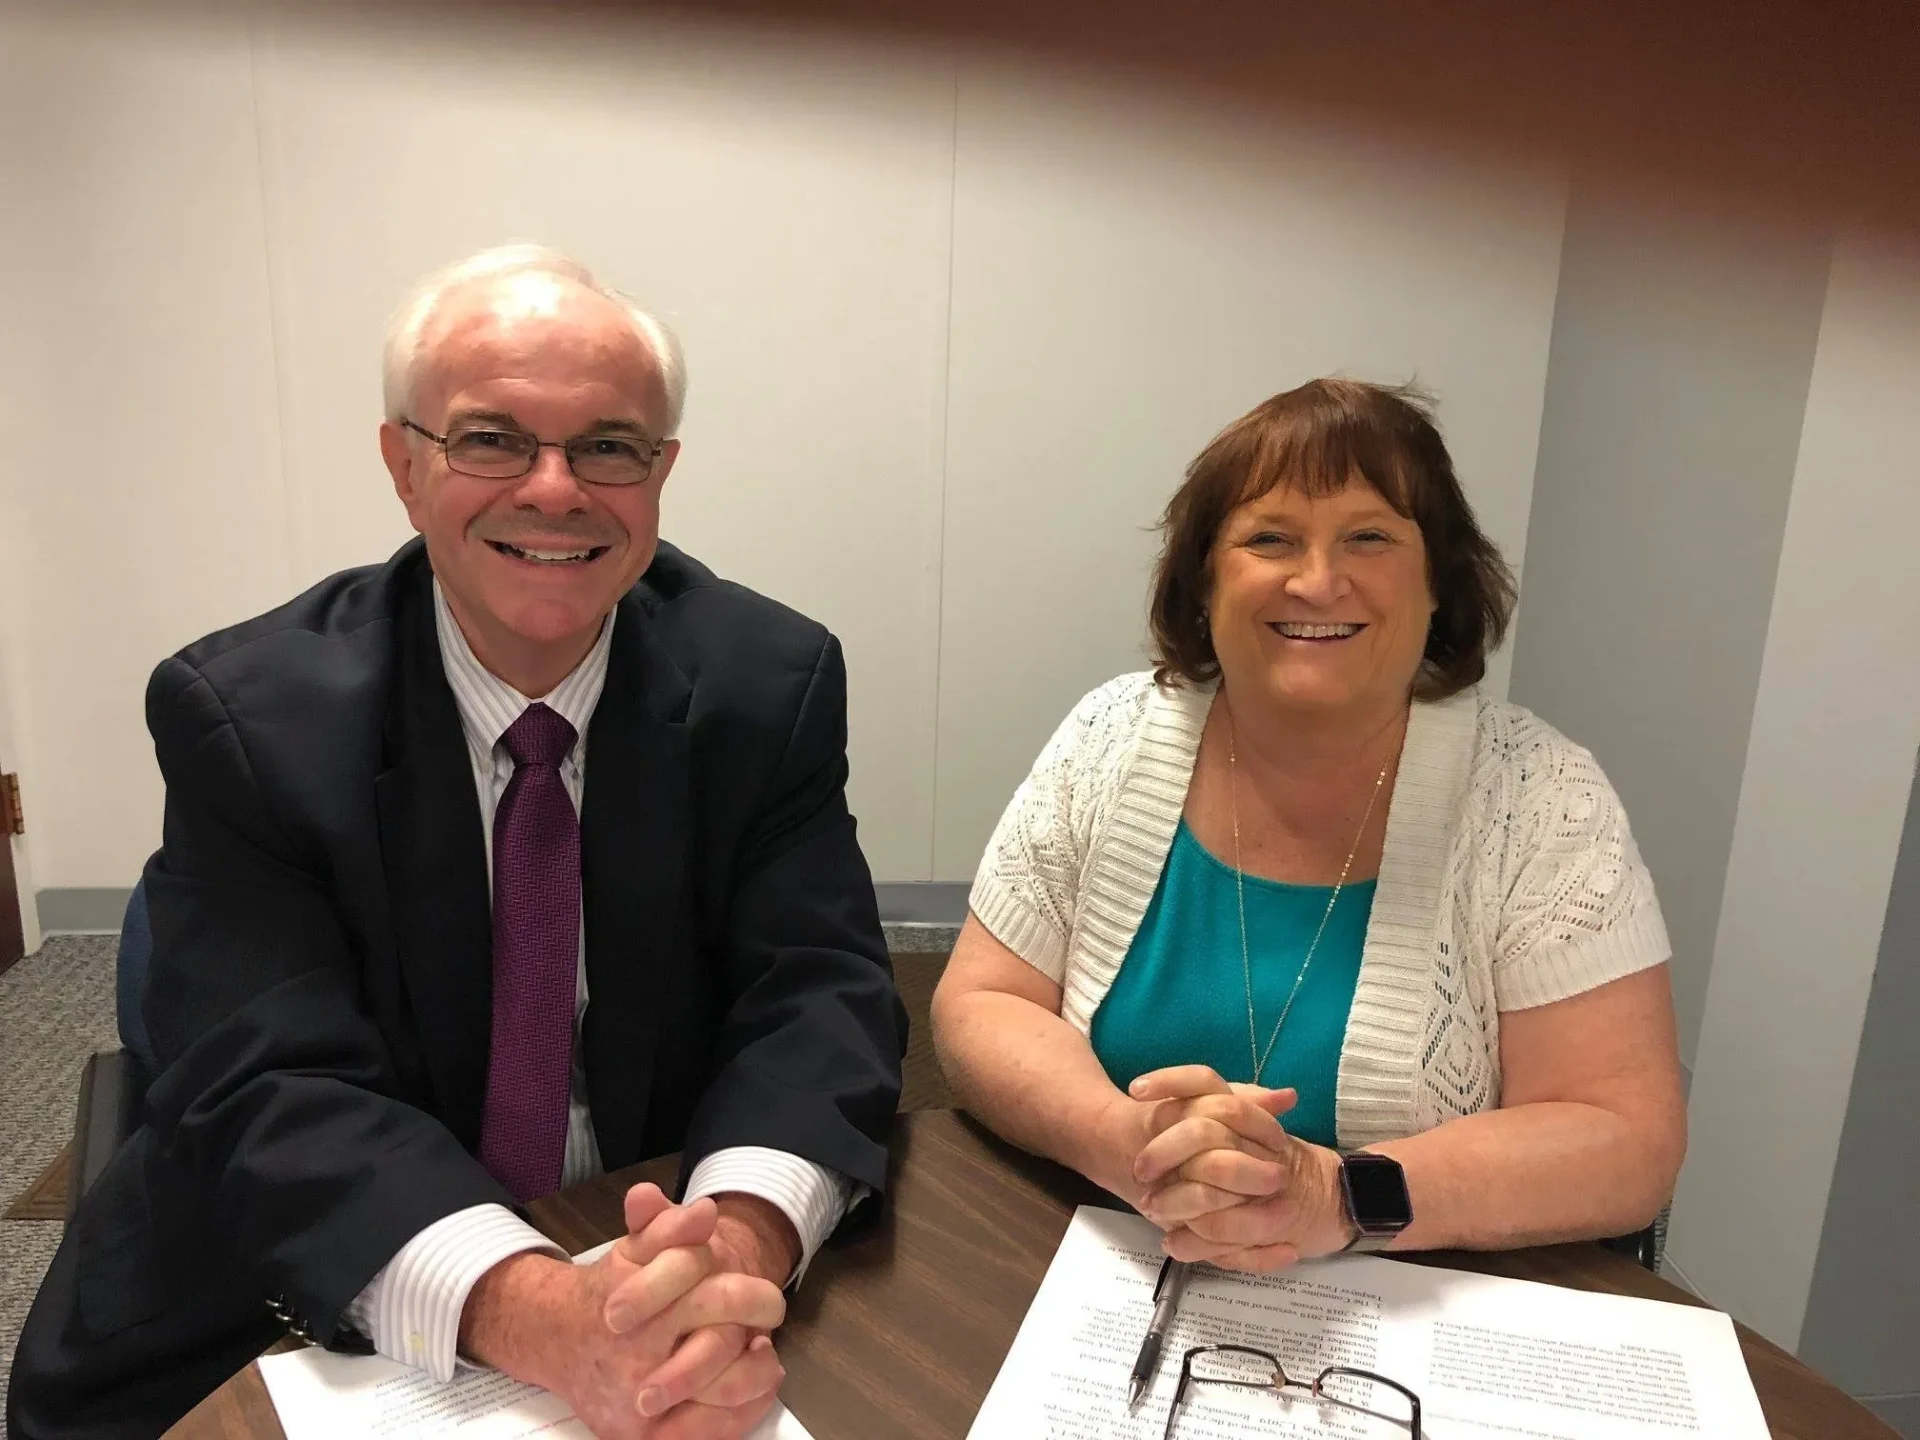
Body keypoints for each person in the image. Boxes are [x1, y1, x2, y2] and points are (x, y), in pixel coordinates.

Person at [10, 245, 906, 1440]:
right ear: (403, 464)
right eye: (490, 439)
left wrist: (732, 1250)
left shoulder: (770, 683)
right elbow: (268, 1083)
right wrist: (538, 1314)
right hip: (302, 1295)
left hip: (640, 1240)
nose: (554, 489)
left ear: (661, 472)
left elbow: (820, 995)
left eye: (608, 445)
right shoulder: (249, 718)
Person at [932, 379, 1685, 1273]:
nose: (1319, 581)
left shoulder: (1541, 798)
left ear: (1438, 581)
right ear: (1204, 580)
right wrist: (1129, 1143)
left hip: (1416, 1318)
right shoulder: (1109, 737)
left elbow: (1624, 1139)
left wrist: (1336, 1195)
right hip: (1115, 1275)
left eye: (1369, 537)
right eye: (1269, 539)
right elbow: (982, 1002)